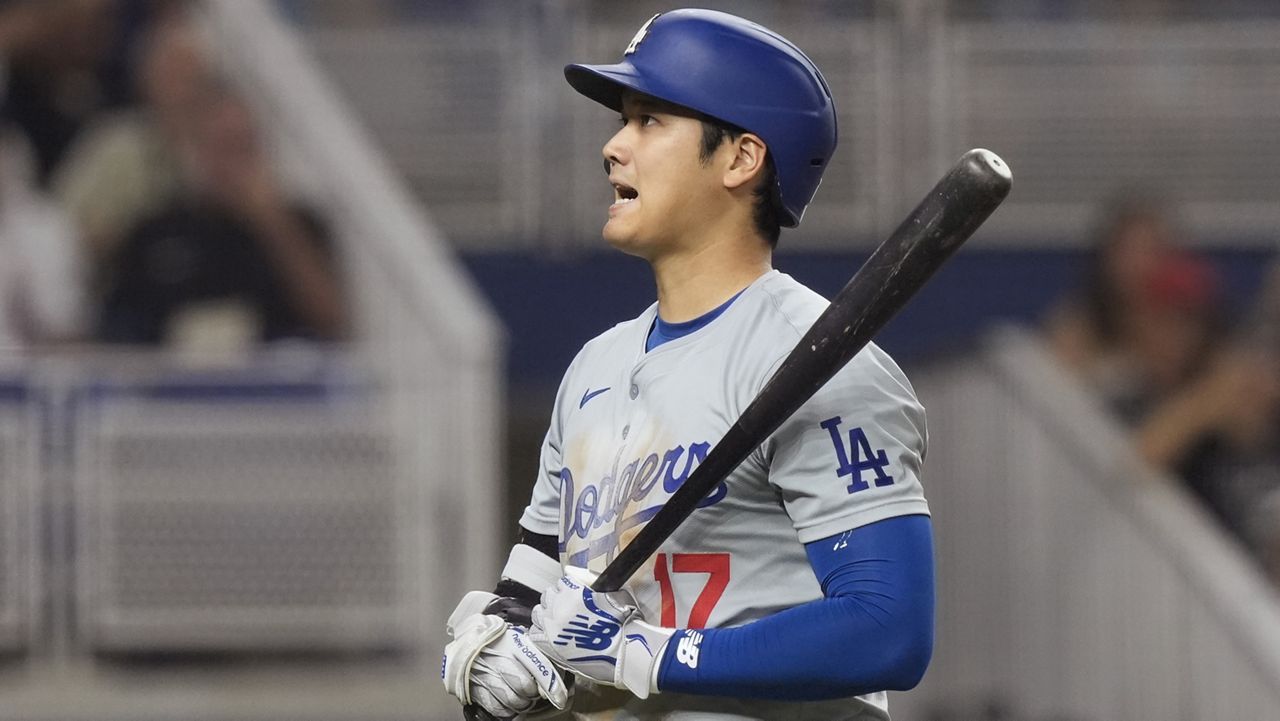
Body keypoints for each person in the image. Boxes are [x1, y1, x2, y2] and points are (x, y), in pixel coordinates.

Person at [442, 10, 934, 720]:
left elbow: (889, 628)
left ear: (740, 158)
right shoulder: (593, 368)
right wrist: (499, 651)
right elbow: (534, 588)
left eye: (648, 121)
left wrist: (653, 655)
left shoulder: (822, 361)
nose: (613, 147)